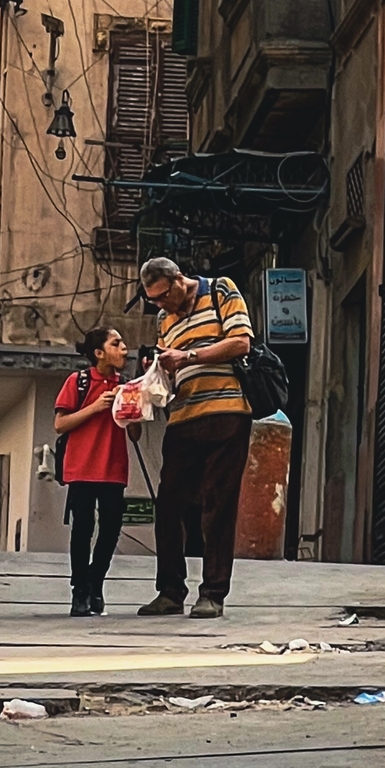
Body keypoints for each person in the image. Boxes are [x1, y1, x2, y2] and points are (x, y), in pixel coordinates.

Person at [137, 257, 253, 619]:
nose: (159, 304)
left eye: (161, 296)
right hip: (183, 416)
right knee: (169, 502)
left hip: (226, 412)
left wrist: (187, 355)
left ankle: (213, 593)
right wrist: (156, 370)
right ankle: (170, 590)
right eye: (152, 299)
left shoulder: (221, 289)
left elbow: (240, 344)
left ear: (178, 280)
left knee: (218, 504)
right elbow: (170, 368)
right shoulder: (163, 320)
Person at [54, 327, 141, 617]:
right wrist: (95, 407)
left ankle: (95, 582)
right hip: (81, 467)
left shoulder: (127, 385)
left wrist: (130, 406)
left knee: (111, 530)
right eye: (116, 344)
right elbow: (60, 424)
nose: (124, 348)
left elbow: (136, 434)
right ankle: (80, 589)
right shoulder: (77, 382)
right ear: (99, 353)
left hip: (113, 468)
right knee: (82, 530)